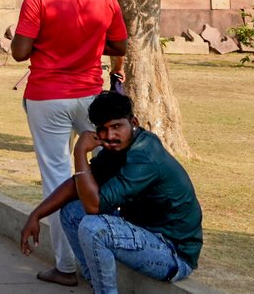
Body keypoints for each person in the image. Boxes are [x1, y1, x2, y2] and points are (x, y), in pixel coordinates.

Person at [14, 0, 129, 287]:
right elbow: (120, 45)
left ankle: (65, 267)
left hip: (48, 95)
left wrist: (36, 41)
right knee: (102, 173)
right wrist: (90, 43)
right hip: (91, 96)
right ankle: (109, 248)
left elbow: (19, 52)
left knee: (57, 178)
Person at [21, 92, 203, 294]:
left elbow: (94, 206)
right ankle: (97, 285)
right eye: (103, 129)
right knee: (72, 211)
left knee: (93, 227)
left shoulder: (145, 155)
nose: (110, 136)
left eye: (117, 127)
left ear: (133, 122)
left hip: (171, 253)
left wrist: (80, 152)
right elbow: (76, 187)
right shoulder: (118, 148)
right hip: (143, 233)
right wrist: (36, 215)